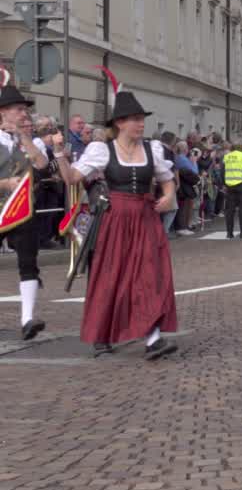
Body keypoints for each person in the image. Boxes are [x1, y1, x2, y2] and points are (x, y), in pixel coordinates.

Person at [51, 90, 178, 359]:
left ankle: (153, 338)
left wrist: (168, 196)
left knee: (151, 275)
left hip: (146, 219)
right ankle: (101, 334)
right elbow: (72, 178)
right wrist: (59, 152)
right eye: (135, 119)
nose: (141, 124)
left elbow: (167, 180)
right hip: (115, 221)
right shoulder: (103, 150)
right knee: (111, 276)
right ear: (120, 123)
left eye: (142, 119)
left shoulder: (152, 150)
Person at [0, 82, 49, 341]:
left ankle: (27, 319)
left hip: (23, 209)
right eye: (18, 109)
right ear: (3, 112)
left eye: (24, 110)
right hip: (1, 208)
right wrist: (5, 184)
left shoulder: (27, 140)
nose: (23, 114)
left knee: (28, 262)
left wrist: (24, 137)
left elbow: (41, 164)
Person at [222, 143, 242, 239]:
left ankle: (229, 233)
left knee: (230, 211)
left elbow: (222, 172)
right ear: (241, 148)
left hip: (229, 186)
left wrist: (224, 184)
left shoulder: (226, 157)